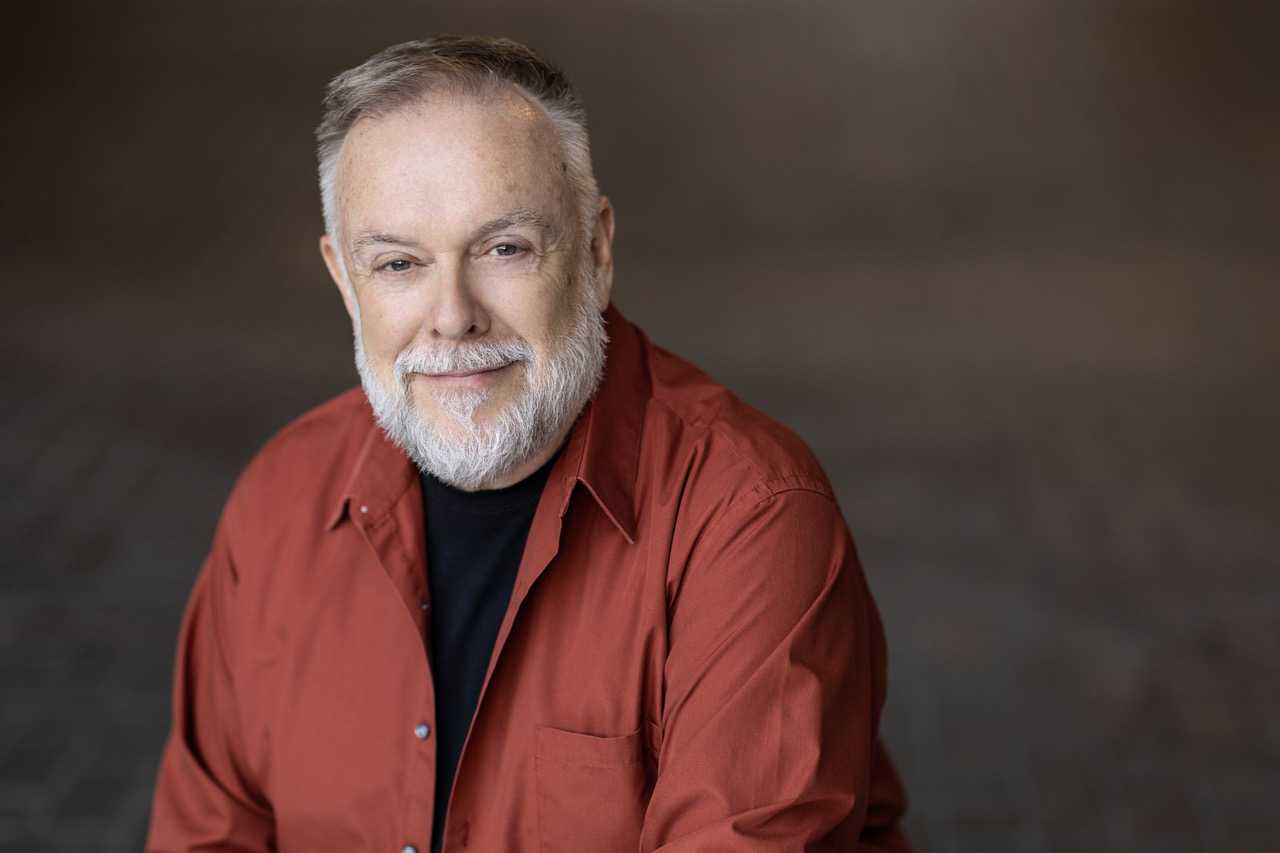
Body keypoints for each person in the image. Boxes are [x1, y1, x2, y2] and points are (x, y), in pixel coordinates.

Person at [145, 35, 911, 852]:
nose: (452, 314)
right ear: (344, 280)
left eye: (503, 248)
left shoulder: (749, 518)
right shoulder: (281, 502)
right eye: (399, 263)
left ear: (595, 250)